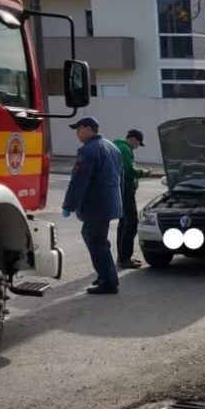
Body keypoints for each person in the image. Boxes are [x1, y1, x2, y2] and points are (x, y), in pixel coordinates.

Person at [62, 116, 124, 294]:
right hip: (109, 203)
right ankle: (105, 275)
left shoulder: (88, 151)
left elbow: (79, 181)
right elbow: (121, 177)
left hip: (95, 205)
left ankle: (108, 281)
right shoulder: (112, 147)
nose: (77, 133)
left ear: (89, 129)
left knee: (96, 241)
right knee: (96, 239)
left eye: (79, 128)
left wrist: (69, 205)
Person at [113, 129, 152, 269]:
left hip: (120, 189)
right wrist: (144, 172)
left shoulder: (119, 146)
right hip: (126, 190)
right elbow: (129, 170)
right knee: (131, 222)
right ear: (134, 139)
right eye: (138, 143)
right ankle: (125, 258)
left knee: (123, 223)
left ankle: (122, 256)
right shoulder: (124, 149)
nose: (137, 147)